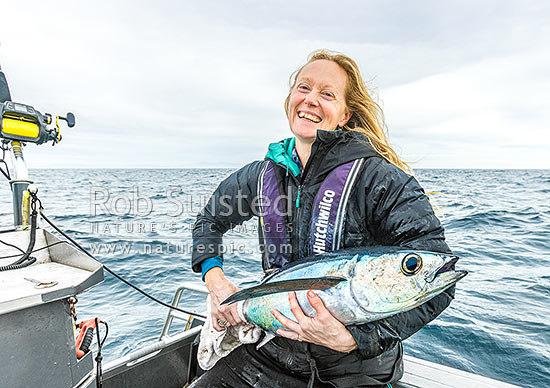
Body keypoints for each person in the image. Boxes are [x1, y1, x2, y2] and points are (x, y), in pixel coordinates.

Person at [190, 49, 455, 388]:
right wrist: (216, 282)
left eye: (327, 94)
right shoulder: (260, 176)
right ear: (290, 99)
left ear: (345, 114)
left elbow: (435, 281)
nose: (310, 99)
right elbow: (208, 221)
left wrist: (356, 339)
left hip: (354, 369)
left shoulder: (380, 179)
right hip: (272, 352)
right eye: (303, 87)